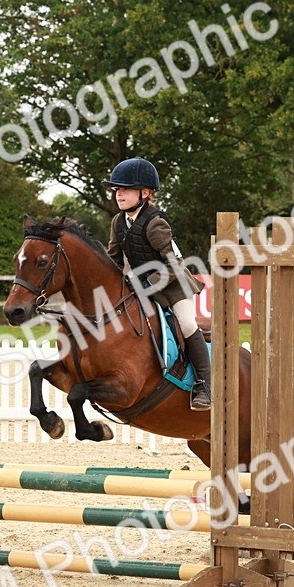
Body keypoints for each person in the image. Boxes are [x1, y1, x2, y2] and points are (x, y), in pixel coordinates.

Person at [103, 157, 211, 410]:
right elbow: (114, 259)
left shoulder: (155, 223)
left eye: (126, 189)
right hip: (141, 285)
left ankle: (205, 384)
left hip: (174, 286)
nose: (119, 194)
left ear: (145, 193)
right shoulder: (118, 222)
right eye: (117, 189)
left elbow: (175, 263)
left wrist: (148, 284)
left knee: (186, 324)